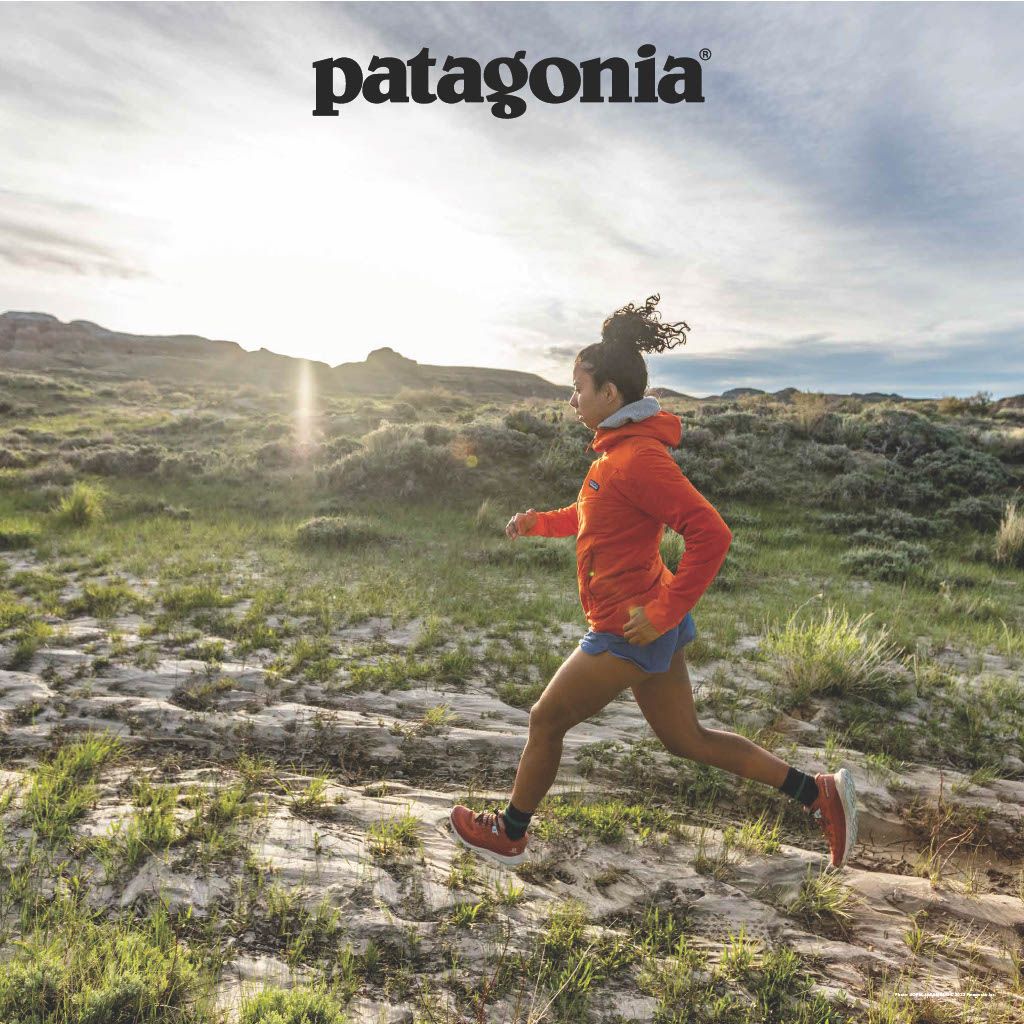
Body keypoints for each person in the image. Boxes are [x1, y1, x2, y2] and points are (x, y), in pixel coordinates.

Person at [448, 295, 857, 871]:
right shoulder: (612, 457)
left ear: (609, 394)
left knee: (546, 719)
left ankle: (510, 833)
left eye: (578, 387)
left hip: (629, 627)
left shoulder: (638, 458)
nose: (572, 399)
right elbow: (589, 514)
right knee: (689, 739)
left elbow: (712, 535)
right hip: (642, 621)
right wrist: (538, 523)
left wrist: (663, 612)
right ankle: (818, 793)